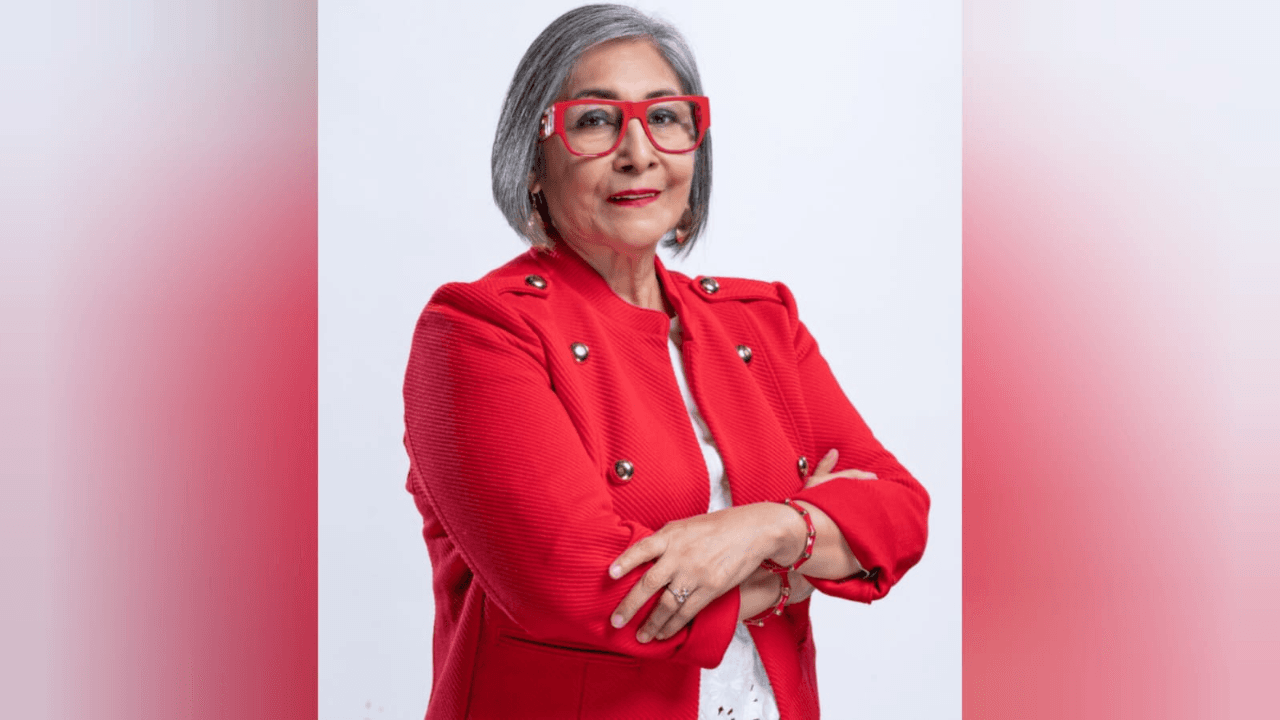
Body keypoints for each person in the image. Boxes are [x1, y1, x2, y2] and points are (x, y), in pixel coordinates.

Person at [402, 5, 929, 718]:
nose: (638, 152)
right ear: (533, 161)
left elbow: (899, 510)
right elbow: (585, 591)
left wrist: (767, 528)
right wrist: (800, 567)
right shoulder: (479, 330)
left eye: (665, 117)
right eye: (595, 120)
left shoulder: (761, 320)